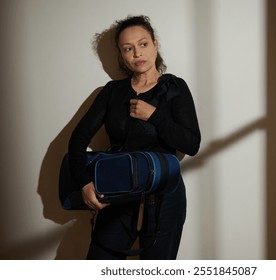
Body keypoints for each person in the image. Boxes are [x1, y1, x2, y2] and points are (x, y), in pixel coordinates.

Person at [68, 15, 201, 260]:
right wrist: (84, 183)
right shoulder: (112, 92)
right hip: (117, 195)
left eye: (143, 44)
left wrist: (154, 116)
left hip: (165, 199)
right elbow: (78, 138)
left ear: (155, 45)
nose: (136, 53)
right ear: (121, 54)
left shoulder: (175, 88)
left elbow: (192, 144)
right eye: (127, 48)